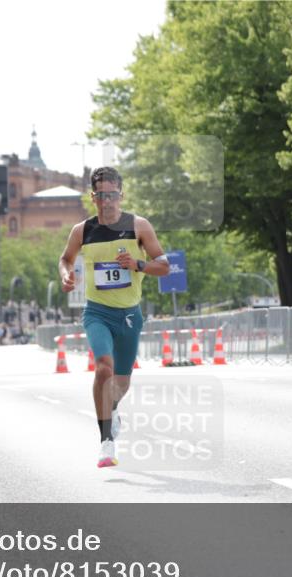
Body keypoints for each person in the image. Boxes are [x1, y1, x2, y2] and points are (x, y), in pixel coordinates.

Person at [59, 166, 170, 467]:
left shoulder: (139, 226)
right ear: (92, 197)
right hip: (97, 312)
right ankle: (106, 440)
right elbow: (66, 259)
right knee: (103, 369)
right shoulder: (82, 230)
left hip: (130, 315)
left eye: (112, 195)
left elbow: (164, 266)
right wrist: (67, 275)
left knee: (121, 381)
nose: (106, 201)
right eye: (100, 195)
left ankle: (114, 408)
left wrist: (137, 263)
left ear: (120, 195)